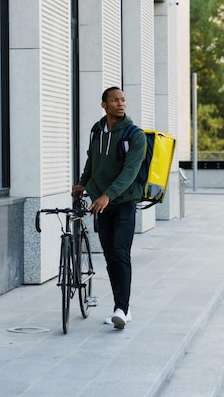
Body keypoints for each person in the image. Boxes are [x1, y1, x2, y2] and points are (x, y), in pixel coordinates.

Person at [72, 87, 146, 330]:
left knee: (120, 251)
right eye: (115, 100)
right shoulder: (97, 130)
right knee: (110, 256)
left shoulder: (135, 136)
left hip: (124, 202)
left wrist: (108, 195)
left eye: (123, 100)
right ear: (104, 104)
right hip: (100, 203)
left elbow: (130, 172)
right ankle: (119, 306)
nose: (121, 104)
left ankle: (122, 310)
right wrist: (83, 181)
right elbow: (92, 160)